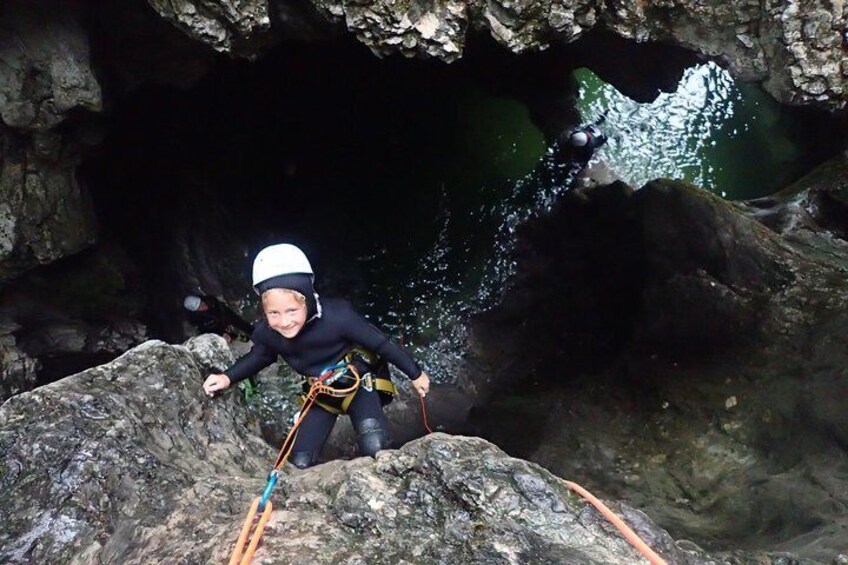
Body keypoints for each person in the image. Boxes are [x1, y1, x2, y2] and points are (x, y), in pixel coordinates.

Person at [201, 243, 431, 469]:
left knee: (375, 449)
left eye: (292, 311)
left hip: (359, 387)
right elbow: (259, 357)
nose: (284, 322)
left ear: (308, 300)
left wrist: (415, 373)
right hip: (320, 395)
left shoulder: (338, 316)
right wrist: (226, 378)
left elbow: (381, 344)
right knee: (300, 462)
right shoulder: (268, 333)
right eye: (274, 313)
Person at [183, 294, 254, 342]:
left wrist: (227, 319)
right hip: (217, 327)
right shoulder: (199, 321)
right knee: (227, 336)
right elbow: (208, 332)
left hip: (223, 316)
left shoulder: (210, 300)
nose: (203, 306)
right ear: (196, 311)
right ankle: (238, 337)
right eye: (200, 307)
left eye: (202, 303)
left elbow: (223, 309)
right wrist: (221, 334)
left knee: (239, 322)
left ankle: (253, 331)